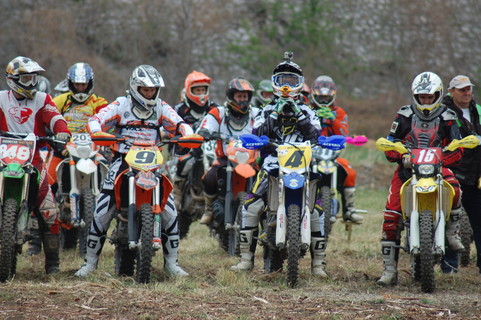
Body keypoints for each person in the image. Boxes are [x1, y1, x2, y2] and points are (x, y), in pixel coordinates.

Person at [75, 64, 194, 278]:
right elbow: (96, 120)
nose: (150, 93)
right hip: (123, 159)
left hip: (153, 161)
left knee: (169, 208)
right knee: (103, 208)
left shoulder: (161, 107)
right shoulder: (122, 104)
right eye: (146, 89)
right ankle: (90, 264)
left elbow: (179, 123)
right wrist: (98, 132)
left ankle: (171, 263)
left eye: (153, 90)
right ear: (135, 87)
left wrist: (186, 133)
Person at [230, 53, 328, 276]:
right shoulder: (265, 110)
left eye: (291, 81)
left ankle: (318, 264)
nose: (286, 86)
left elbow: (315, 136)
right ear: (275, 82)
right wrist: (276, 113)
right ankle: (246, 259)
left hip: (303, 164)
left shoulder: (309, 111)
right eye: (282, 80)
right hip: (273, 164)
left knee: (318, 210)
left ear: (299, 84)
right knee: (251, 206)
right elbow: (257, 134)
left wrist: (299, 115)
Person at [377, 71, 465, 286]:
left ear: (438, 95)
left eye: (430, 97)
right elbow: (390, 143)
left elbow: (459, 147)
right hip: (408, 170)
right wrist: (402, 154)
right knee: (391, 214)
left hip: (437, 168)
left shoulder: (448, 116)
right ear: (415, 96)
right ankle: (389, 270)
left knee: (455, 189)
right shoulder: (404, 115)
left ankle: (452, 233)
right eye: (422, 97)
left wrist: (446, 156)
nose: (426, 101)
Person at [1, 56, 71, 274]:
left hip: (33, 161)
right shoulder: (1, 99)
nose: (31, 83)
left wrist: (61, 130)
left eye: (34, 78)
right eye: (26, 78)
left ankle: (52, 263)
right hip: (3, 158)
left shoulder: (43, 99)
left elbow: (55, 117)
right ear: (13, 79)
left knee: (49, 209)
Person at [197, 77, 259, 225]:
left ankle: (267, 213)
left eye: (245, 96)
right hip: (225, 158)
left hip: (250, 160)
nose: (242, 100)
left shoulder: (256, 113)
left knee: (265, 181)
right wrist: (205, 132)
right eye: (239, 96)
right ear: (231, 96)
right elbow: (206, 124)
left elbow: (265, 126)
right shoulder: (218, 112)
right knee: (209, 178)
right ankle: (209, 209)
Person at [309, 75, 363, 223]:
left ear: (333, 96)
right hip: (311, 152)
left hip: (332, 153)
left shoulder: (339, 112)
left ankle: (349, 209)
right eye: (321, 97)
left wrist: (333, 119)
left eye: (327, 98)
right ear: (314, 95)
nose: (324, 101)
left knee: (349, 171)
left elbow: (344, 132)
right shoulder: (307, 110)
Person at [442, 75, 481, 275]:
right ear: (451, 91)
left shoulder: (478, 111)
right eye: (461, 89)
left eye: (468, 89)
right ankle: (449, 266)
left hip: (476, 174)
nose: (466, 93)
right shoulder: (443, 113)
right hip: (453, 172)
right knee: (450, 221)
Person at [172, 70, 219, 210]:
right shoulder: (180, 109)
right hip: (186, 148)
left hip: (210, 146)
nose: (200, 94)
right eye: (197, 90)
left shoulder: (214, 108)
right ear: (188, 90)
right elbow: (170, 124)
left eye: (203, 90)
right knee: (186, 161)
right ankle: (177, 192)